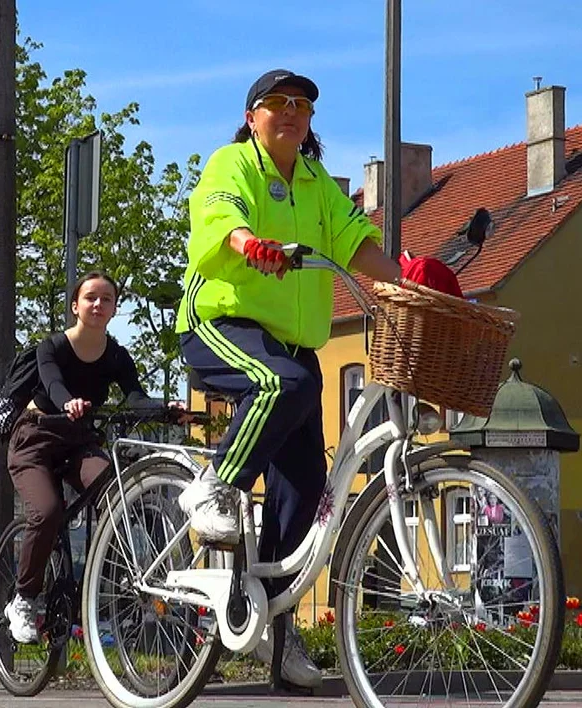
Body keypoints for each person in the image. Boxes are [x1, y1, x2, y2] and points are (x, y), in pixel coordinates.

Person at [173, 69, 403, 689]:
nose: (292, 113)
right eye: (278, 103)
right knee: (287, 385)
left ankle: (274, 631)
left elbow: (357, 243)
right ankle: (214, 487)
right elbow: (222, 213)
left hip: (294, 346)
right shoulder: (234, 163)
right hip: (222, 321)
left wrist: (405, 287)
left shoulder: (316, 184)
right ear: (254, 116)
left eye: (302, 105)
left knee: (305, 491)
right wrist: (249, 244)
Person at [4, 271, 159, 644]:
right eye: (90, 297)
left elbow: (134, 396)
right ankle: (24, 599)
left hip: (78, 443)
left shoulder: (117, 356)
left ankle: (119, 575)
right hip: (34, 441)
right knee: (47, 510)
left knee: (116, 489)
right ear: (75, 306)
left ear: (114, 309)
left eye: (106, 299)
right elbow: (54, 382)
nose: (98, 304)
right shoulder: (52, 347)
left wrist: (165, 408)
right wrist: (67, 402)